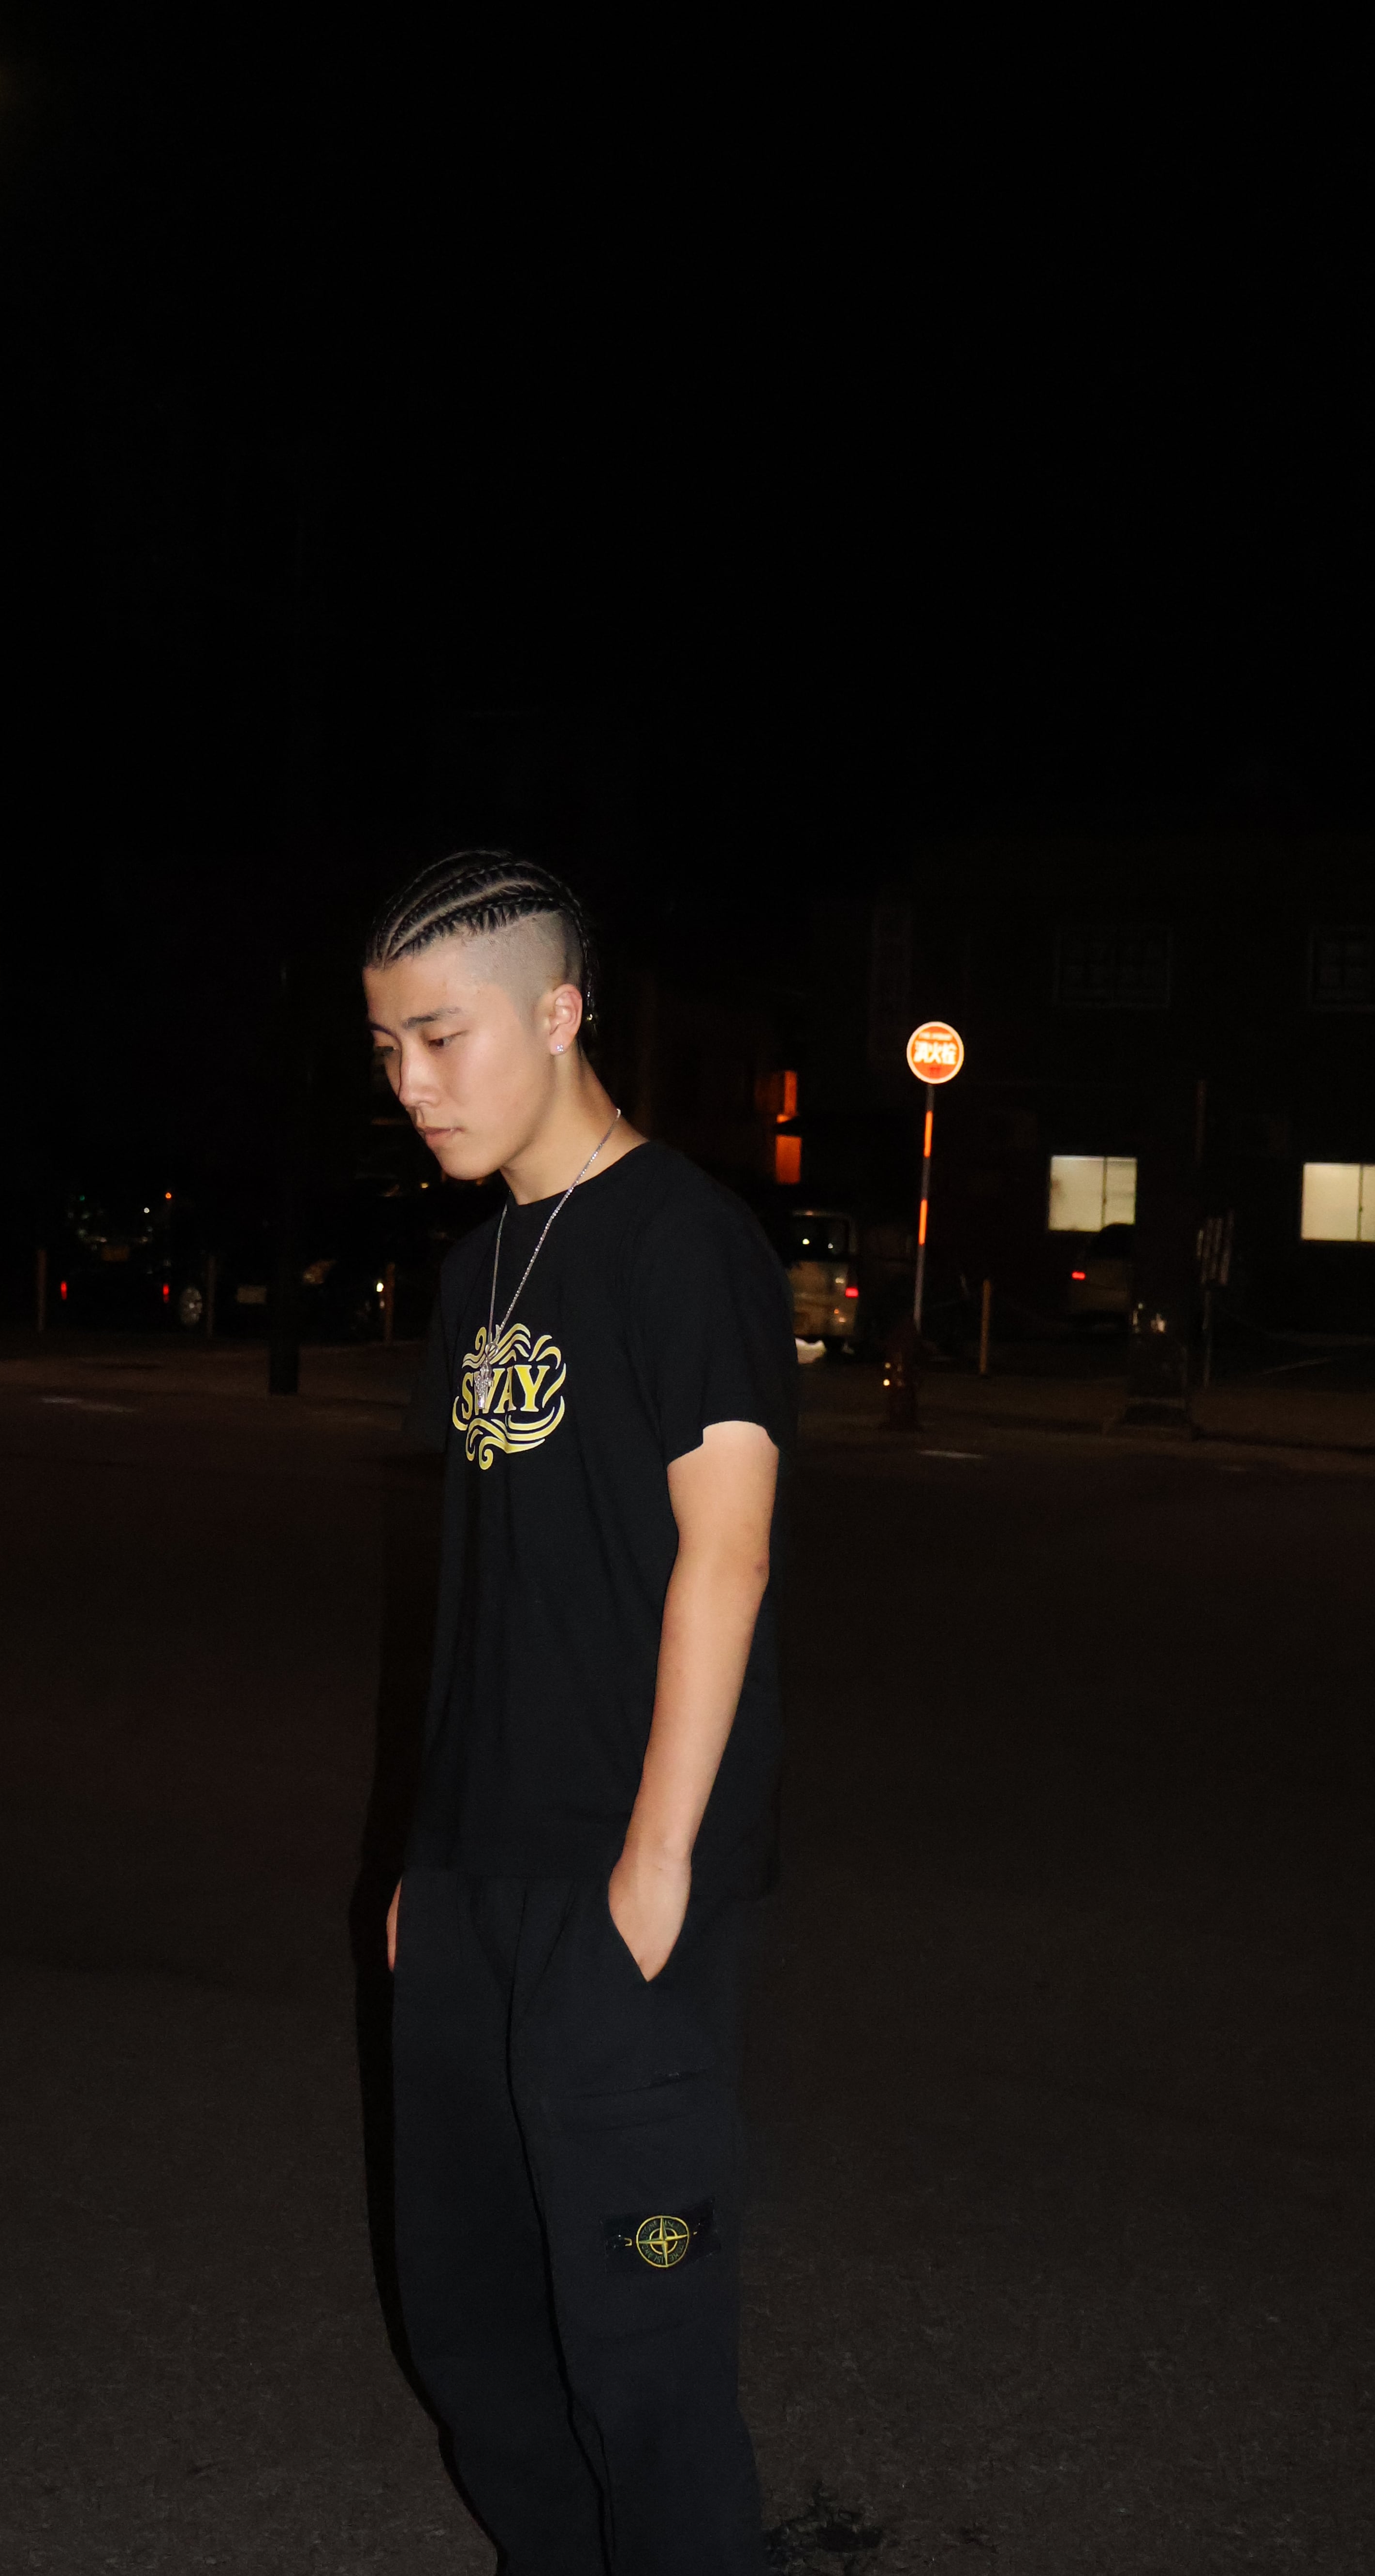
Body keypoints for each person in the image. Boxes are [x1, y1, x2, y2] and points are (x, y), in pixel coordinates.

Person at [364, 851, 796, 2576]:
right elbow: (481, 1595)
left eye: (441, 1038)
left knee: (642, 2351)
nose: (412, 1083)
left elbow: (726, 1555)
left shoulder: (686, 1241)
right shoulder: (479, 1272)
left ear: (557, 1013)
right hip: (474, 1878)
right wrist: (425, 1859)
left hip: (624, 1872)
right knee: (471, 2322)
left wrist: (660, 1860)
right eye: (388, 1049)